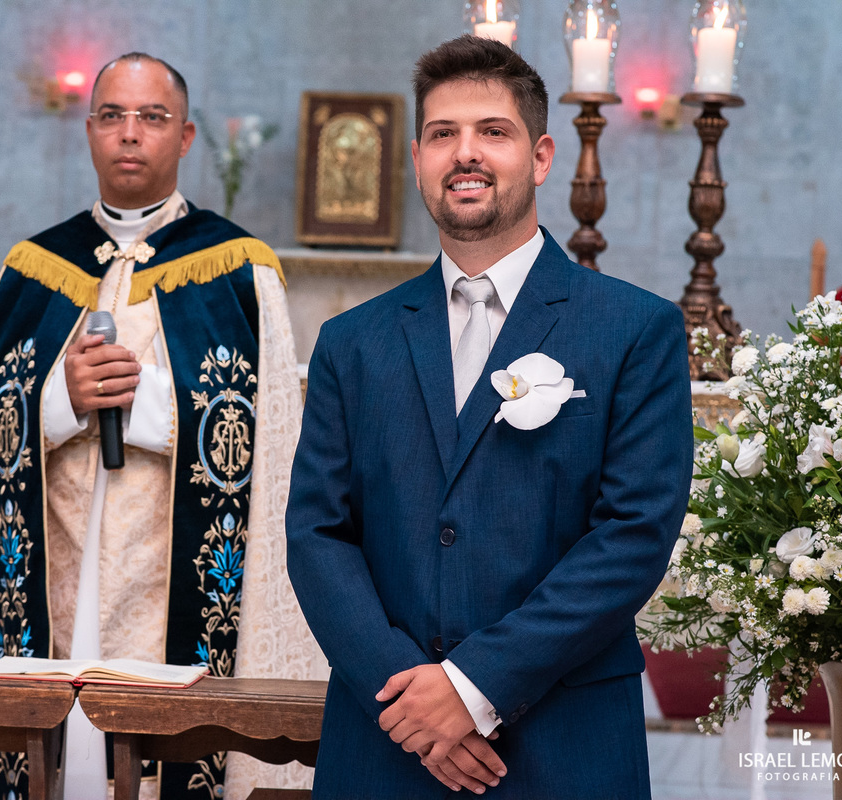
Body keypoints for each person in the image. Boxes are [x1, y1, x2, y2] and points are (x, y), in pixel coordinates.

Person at [0, 52, 325, 800]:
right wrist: (59, 401)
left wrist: (152, 401)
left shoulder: (237, 269)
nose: (131, 135)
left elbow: (276, 442)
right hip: (55, 576)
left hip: (168, 581)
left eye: (152, 118)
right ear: (90, 131)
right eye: (113, 116)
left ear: (186, 137)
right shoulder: (32, 269)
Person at [286, 35, 692, 799]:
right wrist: (412, 700)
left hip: (561, 741)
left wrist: (474, 688)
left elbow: (633, 536)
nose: (464, 154)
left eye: (492, 133)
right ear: (417, 160)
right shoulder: (353, 341)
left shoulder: (633, 329)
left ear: (540, 158)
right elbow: (318, 535)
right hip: (386, 742)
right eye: (443, 134)